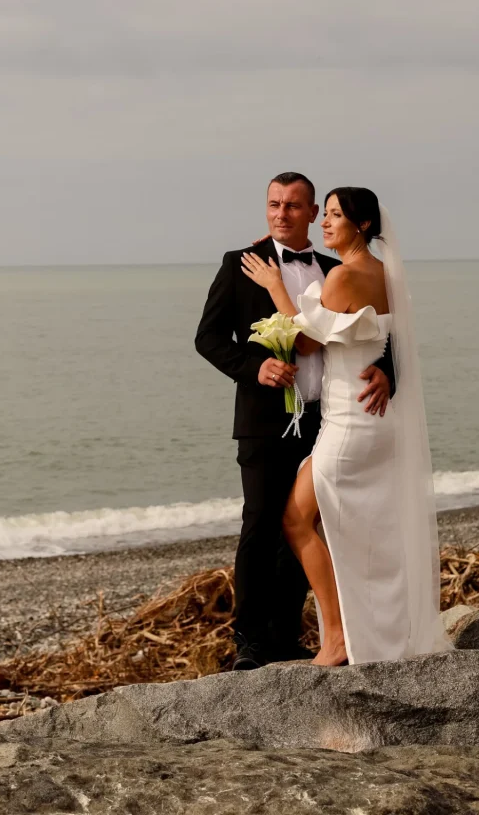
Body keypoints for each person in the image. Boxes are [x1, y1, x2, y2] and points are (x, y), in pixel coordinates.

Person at [240, 186, 449, 665]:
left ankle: (336, 638)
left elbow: (308, 344)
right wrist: (388, 371)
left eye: (335, 215)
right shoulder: (385, 275)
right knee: (364, 531)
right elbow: (393, 341)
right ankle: (371, 635)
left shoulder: (343, 278)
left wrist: (276, 286)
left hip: (350, 423)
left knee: (295, 520)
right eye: (326, 214)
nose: (325, 223)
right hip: (371, 419)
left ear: (364, 226)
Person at [195, 173, 394, 670]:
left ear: (311, 214)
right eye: (273, 204)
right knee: (261, 524)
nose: (281, 214)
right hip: (264, 421)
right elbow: (209, 338)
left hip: (325, 421)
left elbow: (378, 332)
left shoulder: (335, 266)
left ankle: (285, 634)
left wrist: (388, 371)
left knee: (304, 526)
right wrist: (253, 366)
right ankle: (250, 641)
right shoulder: (240, 265)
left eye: (293, 206)